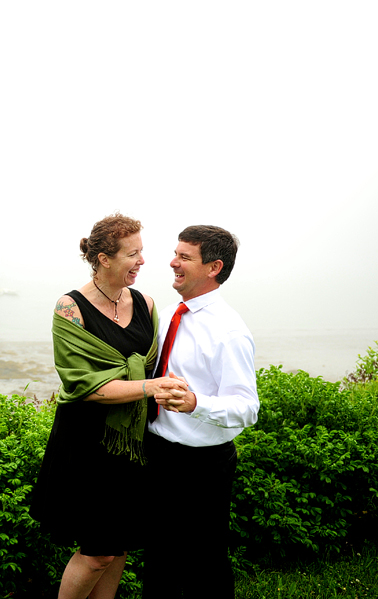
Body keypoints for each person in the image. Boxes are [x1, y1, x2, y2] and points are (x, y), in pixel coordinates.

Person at [30, 213, 189, 599]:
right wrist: (151, 386)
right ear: (104, 259)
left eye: (142, 252)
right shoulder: (70, 308)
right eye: (132, 254)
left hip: (133, 445)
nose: (142, 261)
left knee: (119, 548)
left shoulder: (146, 303)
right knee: (97, 552)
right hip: (86, 446)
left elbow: (155, 362)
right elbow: (85, 387)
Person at [142, 225, 260, 599]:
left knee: (204, 563)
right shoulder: (172, 314)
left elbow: (247, 408)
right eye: (176, 253)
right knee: (159, 558)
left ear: (214, 267)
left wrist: (197, 404)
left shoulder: (229, 331)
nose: (172, 262)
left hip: (202, 465)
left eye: (184, 257)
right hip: (157, 451)